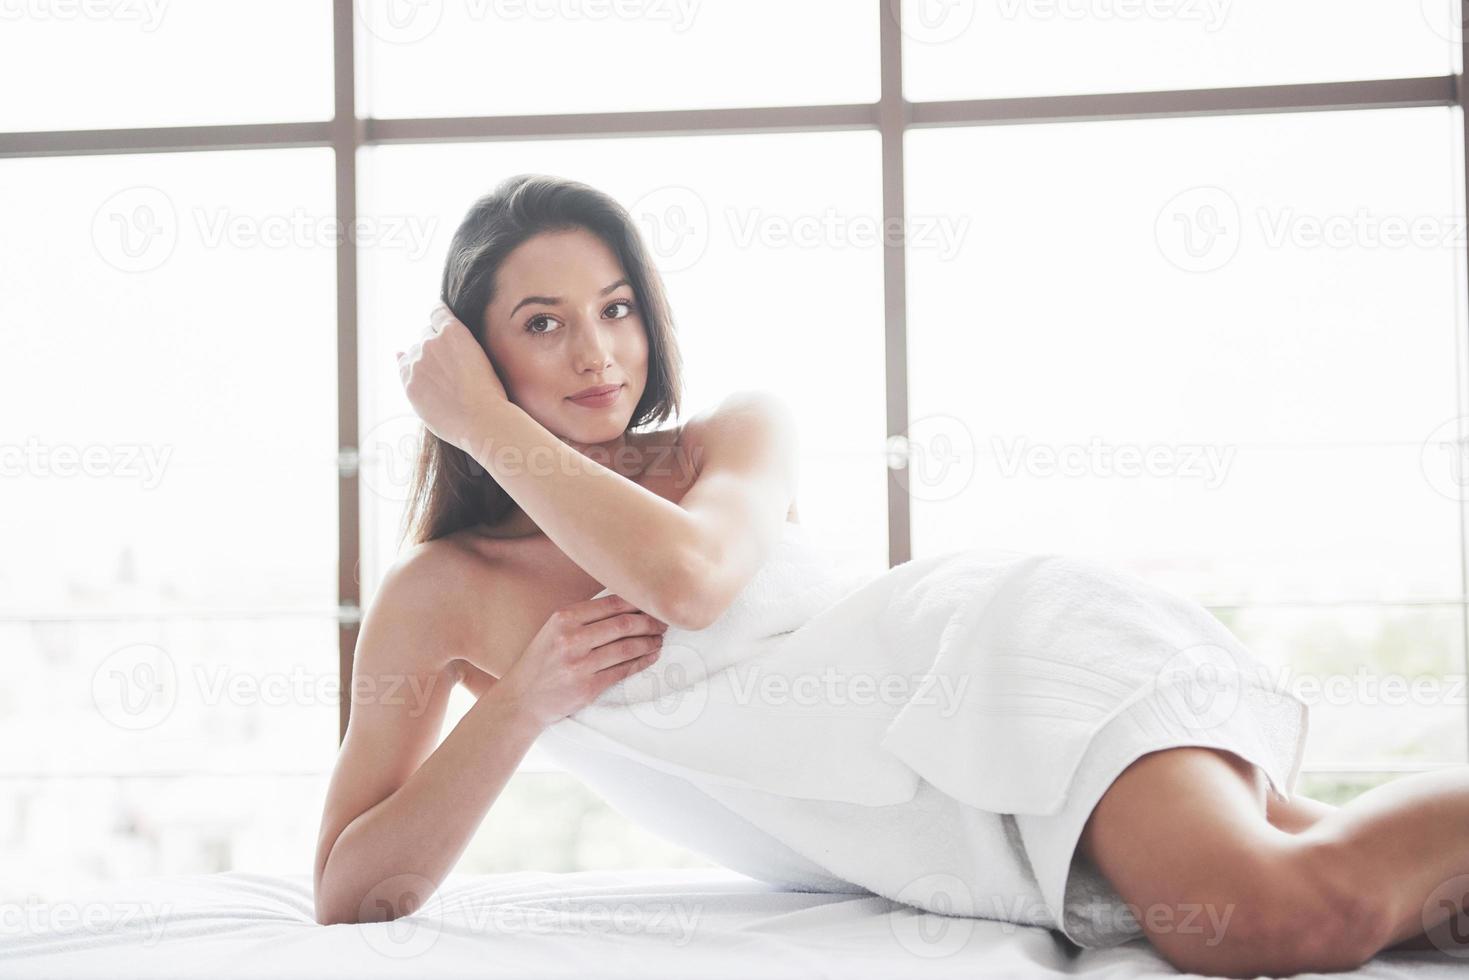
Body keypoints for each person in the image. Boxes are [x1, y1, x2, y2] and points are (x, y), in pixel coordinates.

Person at [313, 173, 1469, 977]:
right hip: (961, 822)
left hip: (1002, 670)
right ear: (477, 341)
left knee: (1269, 912)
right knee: (1389, 897)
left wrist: (478, 421)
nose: (598, 351)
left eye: (615, 308)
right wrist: (520, 704)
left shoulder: (729, 437)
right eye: (543, 322)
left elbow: (692, 580)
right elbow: (351, 890)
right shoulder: (441, 592)